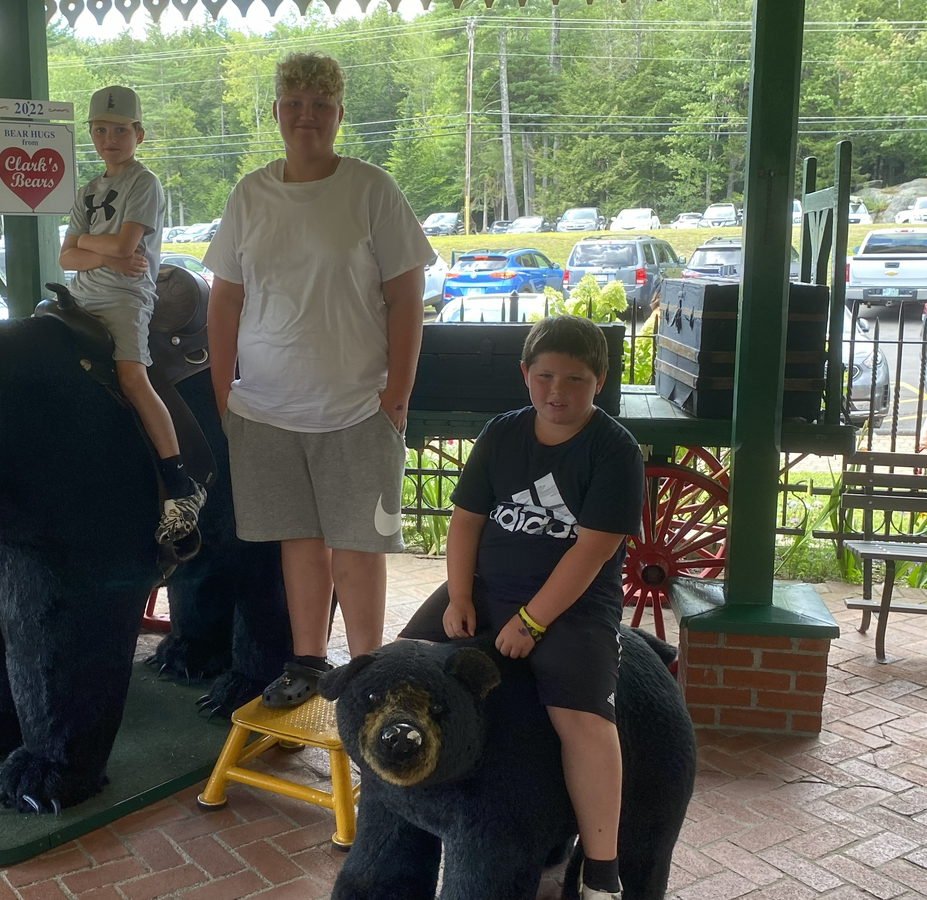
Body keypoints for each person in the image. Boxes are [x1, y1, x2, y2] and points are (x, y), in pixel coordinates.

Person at [204, 53, 433, 707]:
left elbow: (407, 296)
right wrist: (224, 396)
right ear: (277, 111)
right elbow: (225, 300)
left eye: (321, 105)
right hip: (265, 409)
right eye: (296, 103)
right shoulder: (249, 194)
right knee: (298, 544)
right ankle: (307, 664)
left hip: (357, 406)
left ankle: (366, 675)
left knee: (359, 548)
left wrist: (396, 396)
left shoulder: (371, 189)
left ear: (339, 115)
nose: (307, 116)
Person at [398, 315, 645, 900]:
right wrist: (460, 594)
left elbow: (592, 551)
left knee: (583, 719)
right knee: (403, 662)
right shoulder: (502, 433)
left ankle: (602, 868)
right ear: (524, 375)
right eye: (545, 377)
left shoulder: (615, 450)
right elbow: (466, 520)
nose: (558, 392)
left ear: (600, 380)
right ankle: (406, 814)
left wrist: (533, 621)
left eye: (575, 380)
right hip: (488, 584)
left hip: (573, 604)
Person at [60, 85, 205, 544]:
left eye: (120, 130)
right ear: (91, 134)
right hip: (79, 296)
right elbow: (65, 257)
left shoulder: (144, 183)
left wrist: (92, 247)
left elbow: (126, 246)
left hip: (125, 298)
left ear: (138, 135)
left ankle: (180, 485)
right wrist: (104, 253)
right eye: (101, 130)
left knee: (131, 378)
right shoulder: (87, 190)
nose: (110, 139)